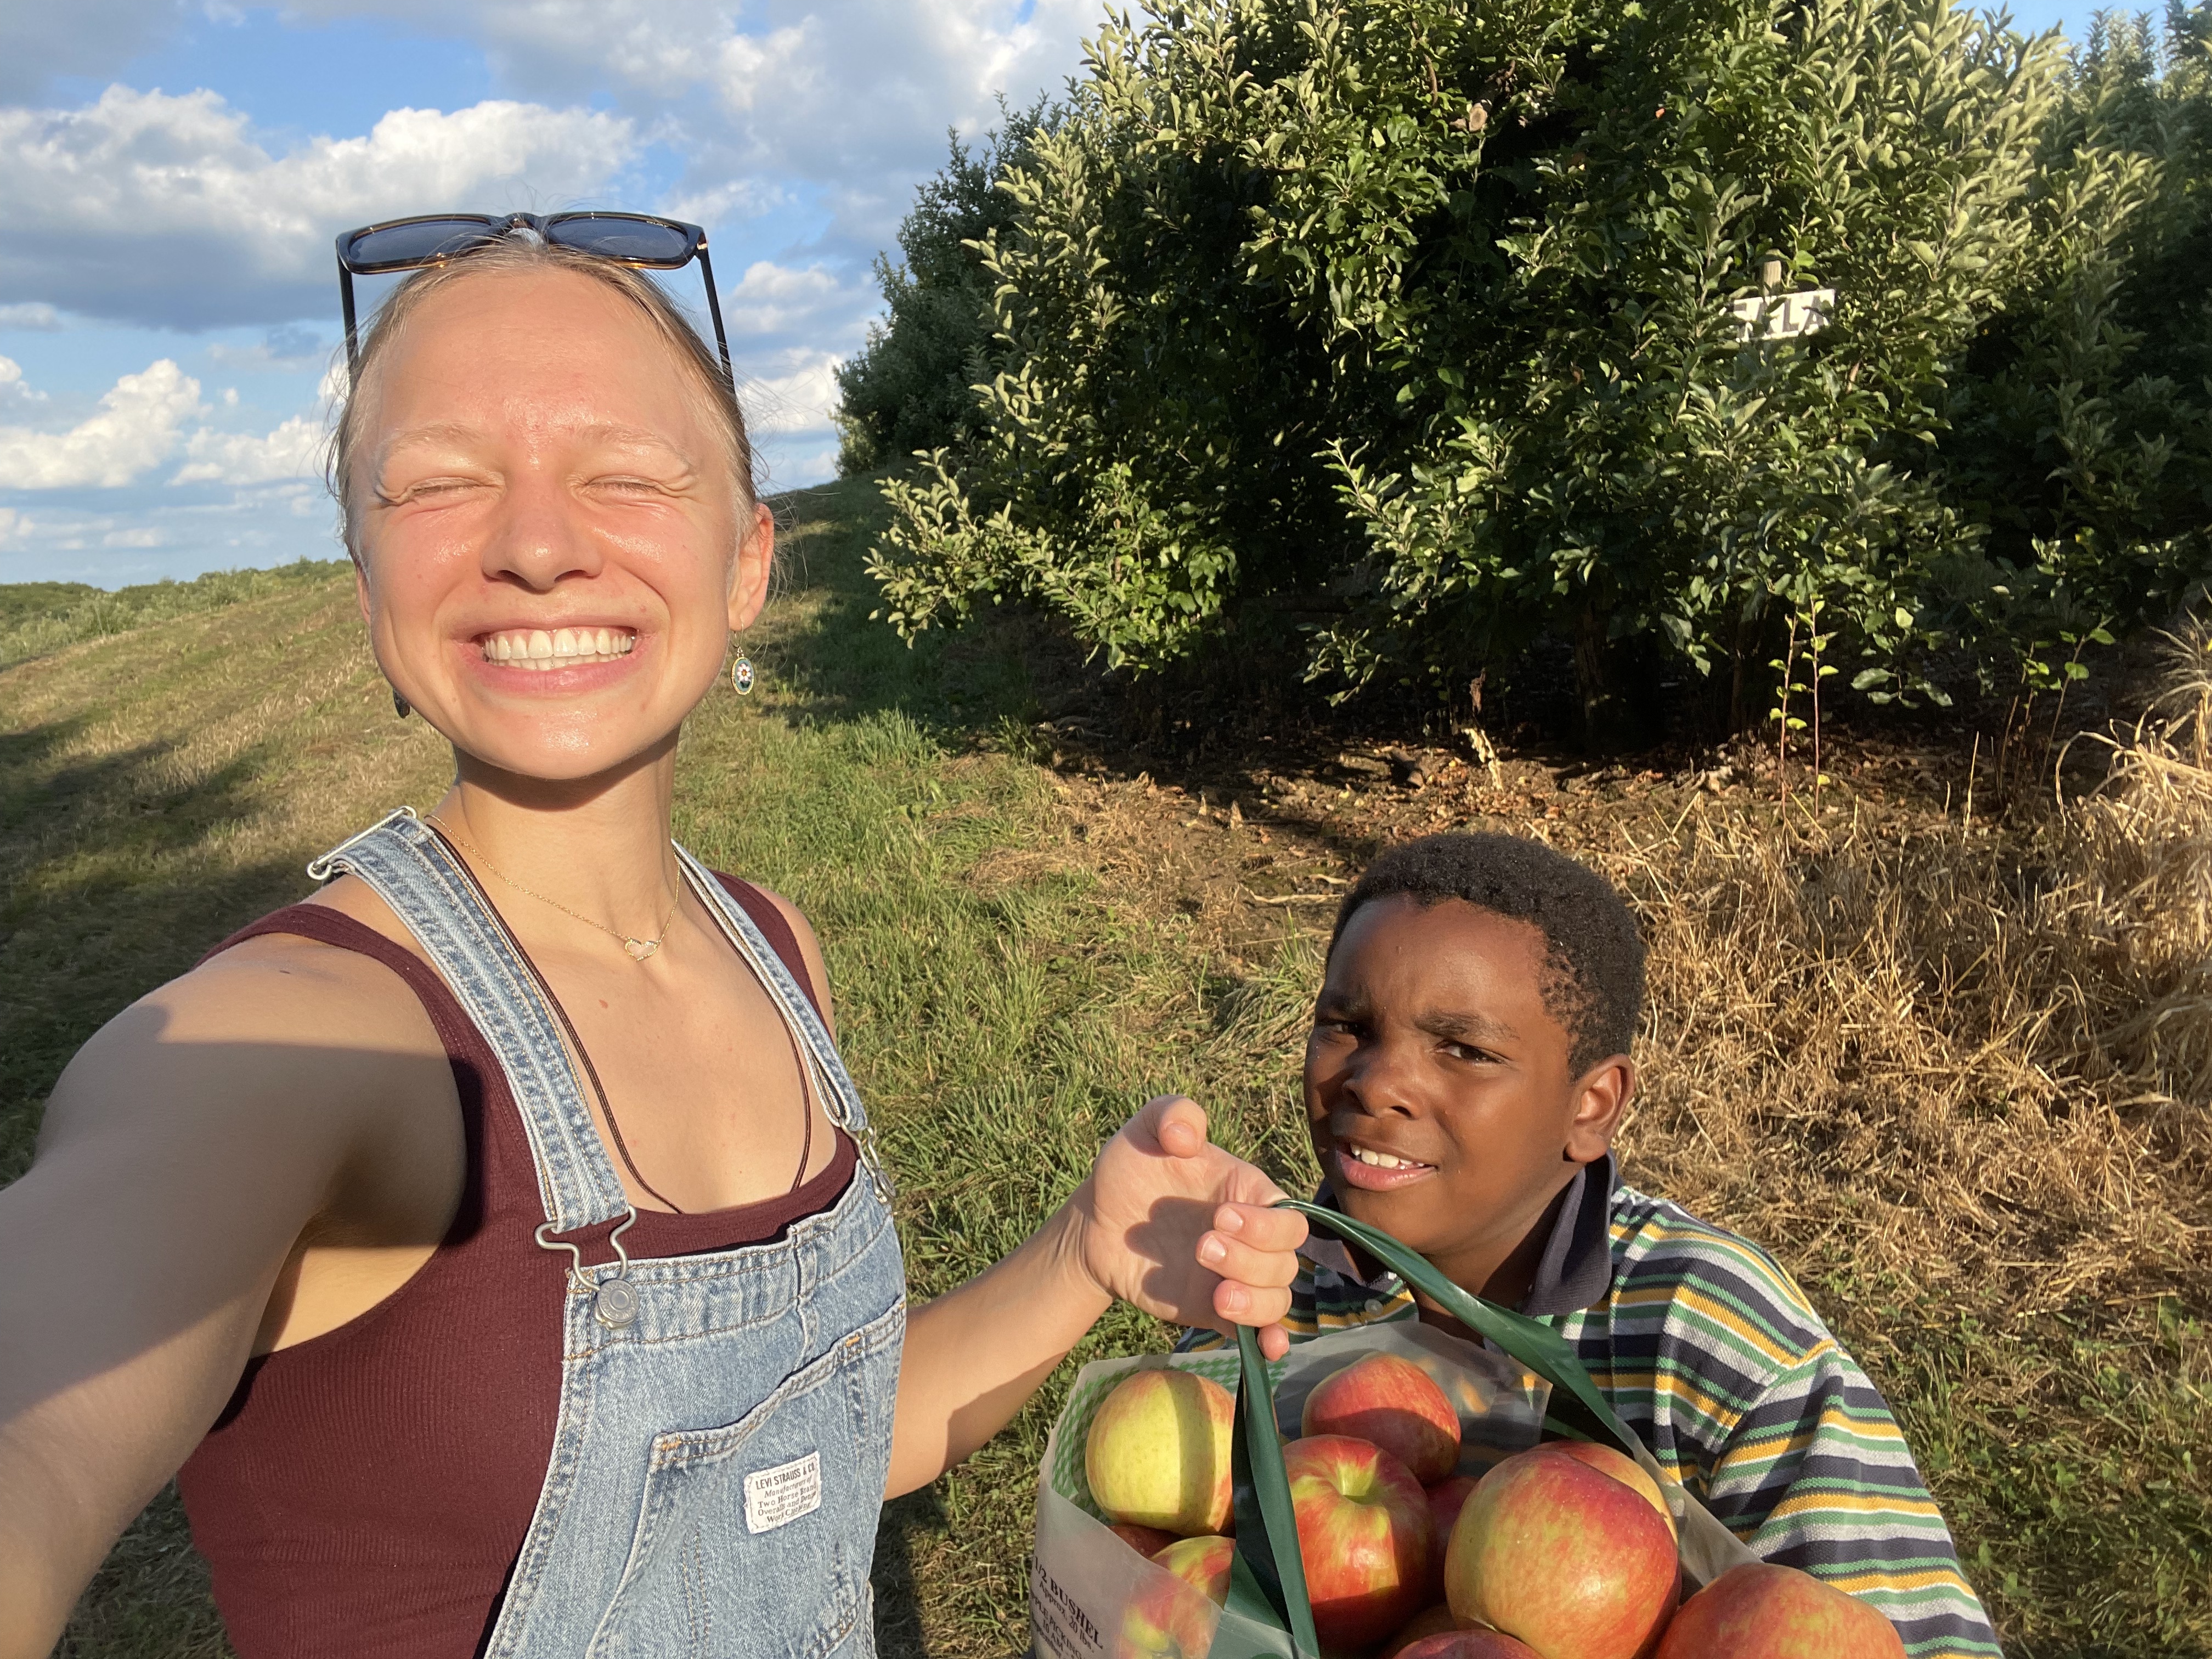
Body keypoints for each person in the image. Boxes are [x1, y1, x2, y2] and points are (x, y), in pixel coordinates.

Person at [0, 226, 1307, 1659]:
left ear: (746, 564)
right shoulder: (285, 1045)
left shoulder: (774, 949)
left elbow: (808, 1461)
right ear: (369, 585)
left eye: (624, 474)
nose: (538, 545)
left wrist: (1079, 1255)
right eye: (440, 482)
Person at [1178, 832, 2001, 1659]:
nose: (1377, 1083)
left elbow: (1899, 1635)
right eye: (1347, 1026)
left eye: (1465, 1050)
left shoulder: (1704, 1328)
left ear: (1591, 1107)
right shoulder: (1273, 1286)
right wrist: (1108, 1273)